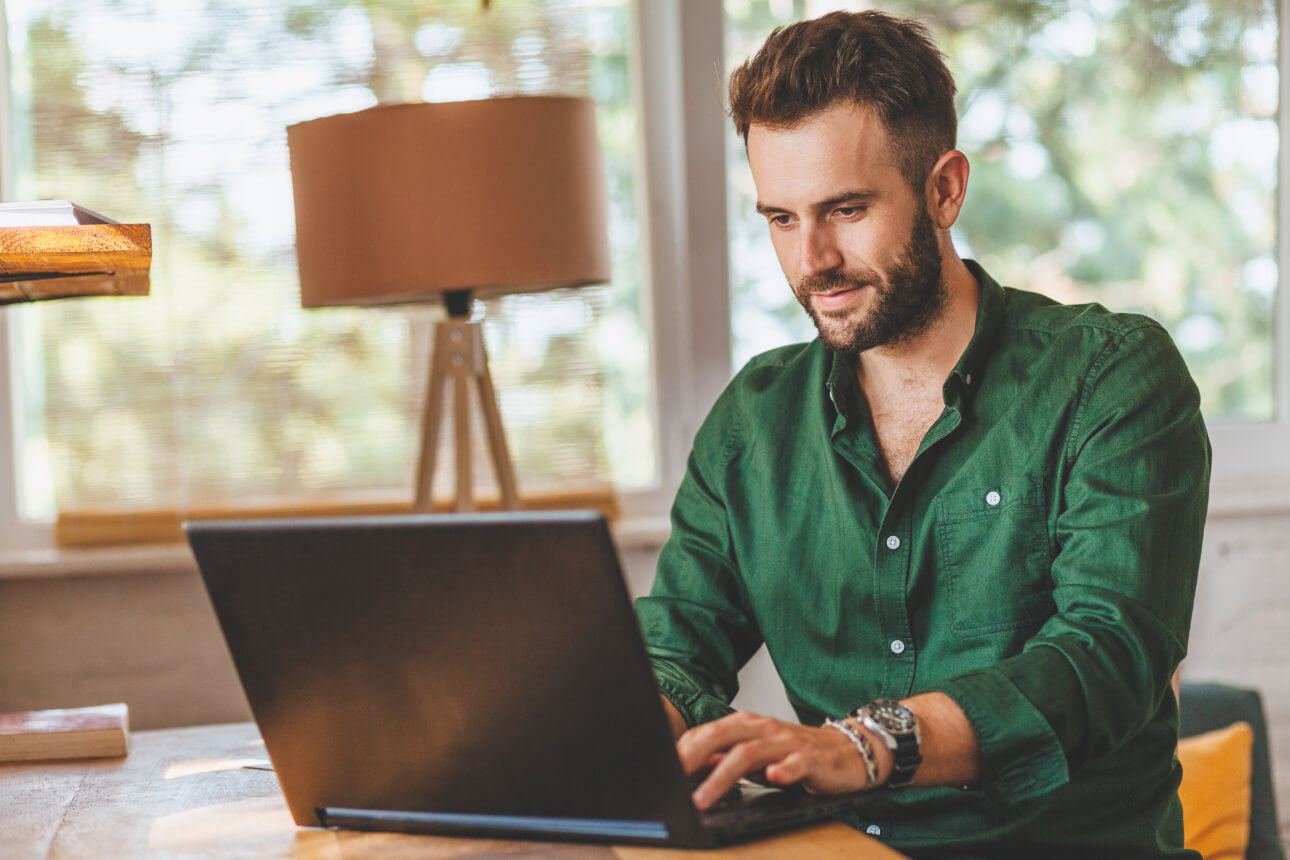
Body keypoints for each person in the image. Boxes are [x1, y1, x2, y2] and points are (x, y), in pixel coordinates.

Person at [634, 9, 1210, 858]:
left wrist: (863, 745)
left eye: (846, 209)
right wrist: (626, 724)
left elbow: (1107, 655)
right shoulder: (754, 421)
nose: (811, 260)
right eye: (781, 219)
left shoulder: (1111, 378)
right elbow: (676, 646)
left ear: (944, 189)